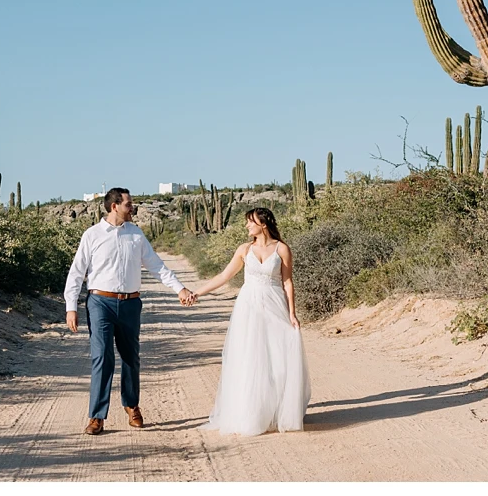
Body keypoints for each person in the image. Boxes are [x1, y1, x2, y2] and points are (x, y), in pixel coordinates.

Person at [64, 187, 195, 436]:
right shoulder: (92, 235)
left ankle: (132, 406)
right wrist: (71, 307)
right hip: (100, 302)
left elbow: (157, 266)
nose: (132, 208)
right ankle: (97, 416)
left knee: (130, 358)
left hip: (130, 303)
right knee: (102, 358)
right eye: (128, 204)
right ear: (114, 206)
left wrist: (179, 288)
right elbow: (77, 272)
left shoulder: (136, 234)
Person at [193, 207, 311, 435]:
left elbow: (287, 282)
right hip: (248, 307)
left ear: (263, 224)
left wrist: (292, 313)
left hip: (275, 305)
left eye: (251, 222)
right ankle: (252, 411)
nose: (247, 226)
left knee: (277, 357)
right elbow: (223, 276)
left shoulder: (282, 249)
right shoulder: (244, 249)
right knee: (250, 356)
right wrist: (198, 293)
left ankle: (277, 410)